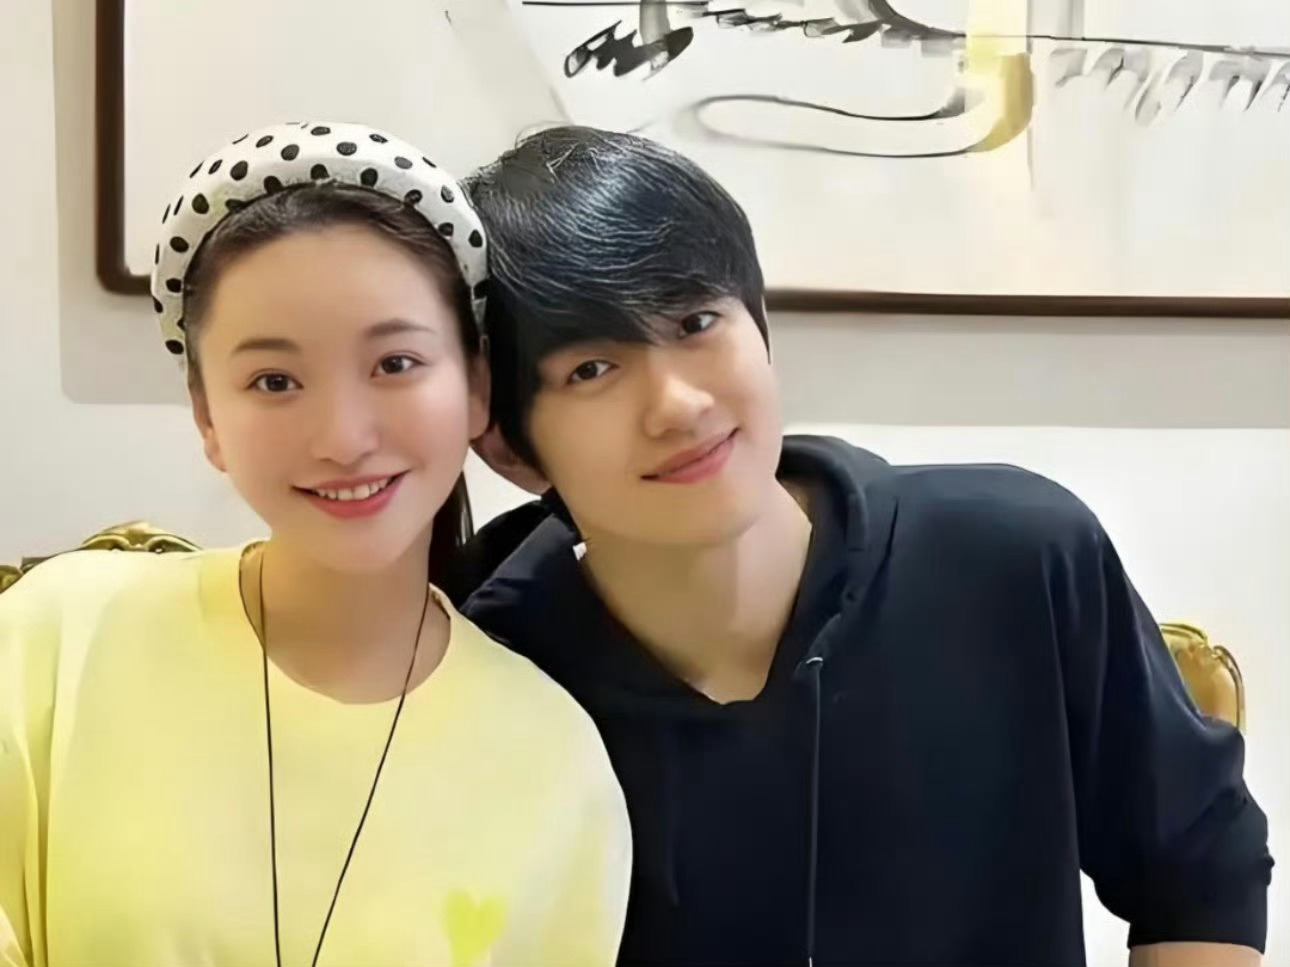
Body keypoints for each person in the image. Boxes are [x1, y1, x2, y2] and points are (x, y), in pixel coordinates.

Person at [455, 125, 1273, 967]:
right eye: (591, 369)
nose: (680, 404)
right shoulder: (474, 676)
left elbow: (1199, 870)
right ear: (507, 446)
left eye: (697, 321)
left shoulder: (1013, 556)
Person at [0, 122, 631, 967]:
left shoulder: (554, 759)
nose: (342, 438)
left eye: (395, 363)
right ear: (208, 416)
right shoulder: (58, 637)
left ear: (475, 385)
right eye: (275, 380)